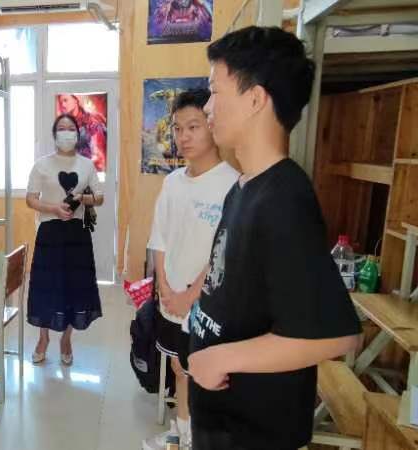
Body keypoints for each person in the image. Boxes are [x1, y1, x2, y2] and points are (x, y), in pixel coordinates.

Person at [186, 26, 362, 450]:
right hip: (223, 421)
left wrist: (220, 357)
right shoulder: (244, 187)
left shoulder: (284, 199)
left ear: (255, 99)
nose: (208, 106)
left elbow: (336, 334)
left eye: (215, 91)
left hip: (255, 432)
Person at [142, 89, 239, 450]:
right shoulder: (173, 182)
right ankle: (183, 436)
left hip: (206, 305)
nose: (183, 137)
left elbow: (223, 255)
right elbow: (160, 238)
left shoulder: (233, 184)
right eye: (178, 128)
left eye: (193, 126)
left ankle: (200, 440)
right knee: (179, 369)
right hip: (172, 298)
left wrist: (189, 296)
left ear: (212, 125)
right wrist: (164, 287)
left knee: (205, 376)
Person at [25, 113, 103, 366]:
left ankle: (66, 339)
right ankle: (43, 338)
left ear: (77, 134)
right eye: (61, 128)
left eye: (71, 128)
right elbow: (30, 199)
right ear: (54, 134)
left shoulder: (86, 165)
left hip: (77, 235)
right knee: (46, 286)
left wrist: (81, 198)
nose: (66, 132)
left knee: (74, 286)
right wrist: (53, 209)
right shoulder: (42, 165)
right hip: (49, 234)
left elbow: (99, 197)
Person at [56, 94, 107, 171]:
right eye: (61, 102)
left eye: (65, 100)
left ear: (76, 100)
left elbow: (98, 156)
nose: (63, 105)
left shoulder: (91, 120)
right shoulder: (63, 124)